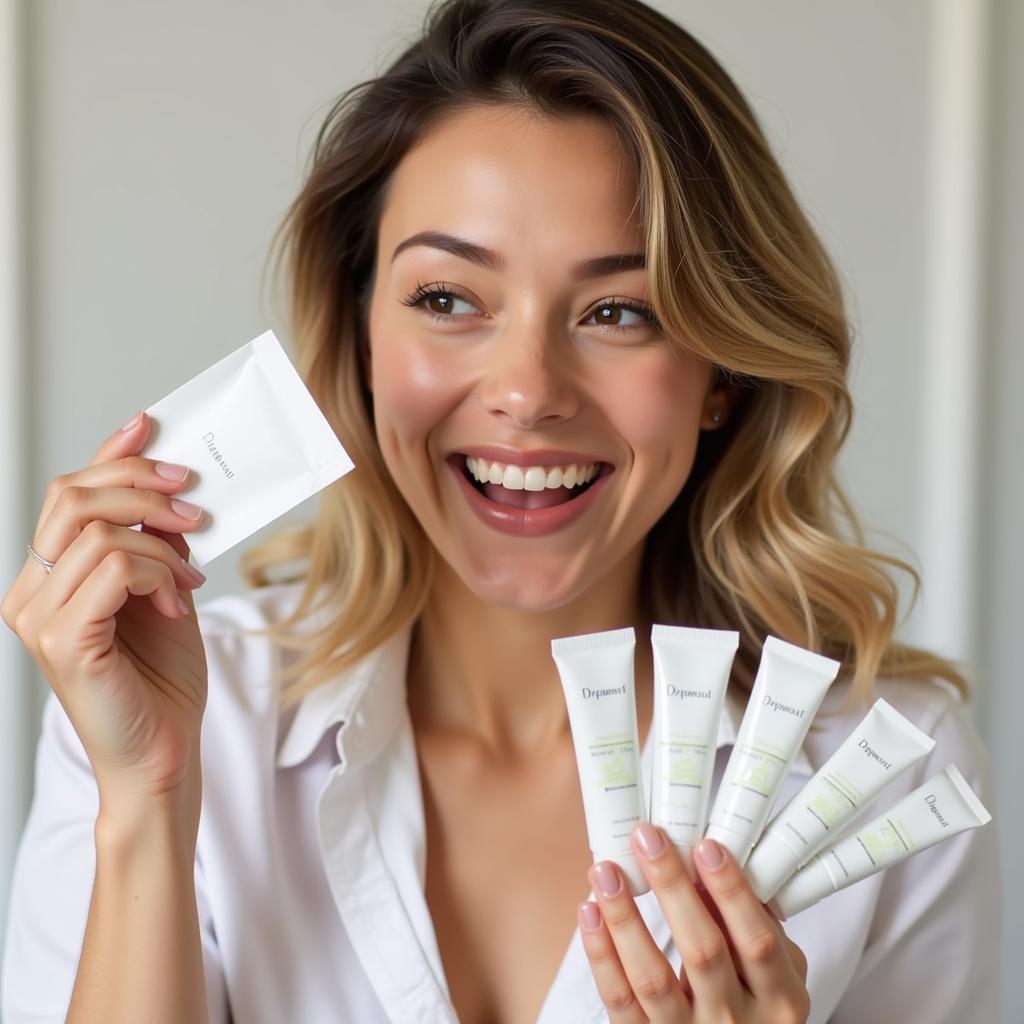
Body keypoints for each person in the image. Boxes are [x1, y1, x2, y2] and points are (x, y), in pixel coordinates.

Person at [0, 0, 1001, 1021]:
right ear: (361, 339)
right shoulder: (180, 714)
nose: (527, 392)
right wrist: (150, 800)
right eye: (447, 299)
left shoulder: (881, 780)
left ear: (722, 375)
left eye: (620, 311)